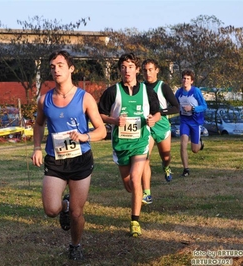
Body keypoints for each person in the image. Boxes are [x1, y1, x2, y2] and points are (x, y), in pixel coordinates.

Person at [31, 50, 106, 261]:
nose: (56, 69)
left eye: (61, 65)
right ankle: (63, 204)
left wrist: (85, 136)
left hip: (80, 160)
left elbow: (101, 130)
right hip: (55, 160)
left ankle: (75, 245)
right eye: (53, 66)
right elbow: (38, 124)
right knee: (51, 209)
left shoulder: (85, 98)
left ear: (71, 68)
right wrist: (37, 147)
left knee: (76, 212)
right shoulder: (45, 99)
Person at [98, 53, 160, 237]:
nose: (127, 70)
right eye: (124, 67)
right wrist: (114, 120)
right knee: (129, 185)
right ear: (119, 70)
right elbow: (98, 115)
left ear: (137, 69)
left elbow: (157, 113)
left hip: (141, 141)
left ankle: (135, 221)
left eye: (131, 66)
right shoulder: (111, 92)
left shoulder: (148, 91)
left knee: (135, 178)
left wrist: (152, 120)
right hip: (121, 144)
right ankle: (138, 195)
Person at [141, 59, 180, 203]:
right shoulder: (140, 87)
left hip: (162, 125)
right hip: (147, 126)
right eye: (145, 70)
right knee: (145, 158)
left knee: (165, 156)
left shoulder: (163, 86)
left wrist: (160, 113)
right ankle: (147, 193)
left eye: (151, 69)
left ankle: (167, 167)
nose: (148, 73)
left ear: (157, 70)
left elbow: (176, 107)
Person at [174, 69, 207, 177]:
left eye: (188, 79)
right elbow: (174, 105)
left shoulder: (196, 91)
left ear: (191, 81)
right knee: (183, 143)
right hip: (184, 121)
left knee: (195, 150)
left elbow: (204, 106)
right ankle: (186, 169)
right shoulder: (178, 93)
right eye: (184, 78)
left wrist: (193, 108)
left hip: (195, 122)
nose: (185, 80)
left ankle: (200, 143)